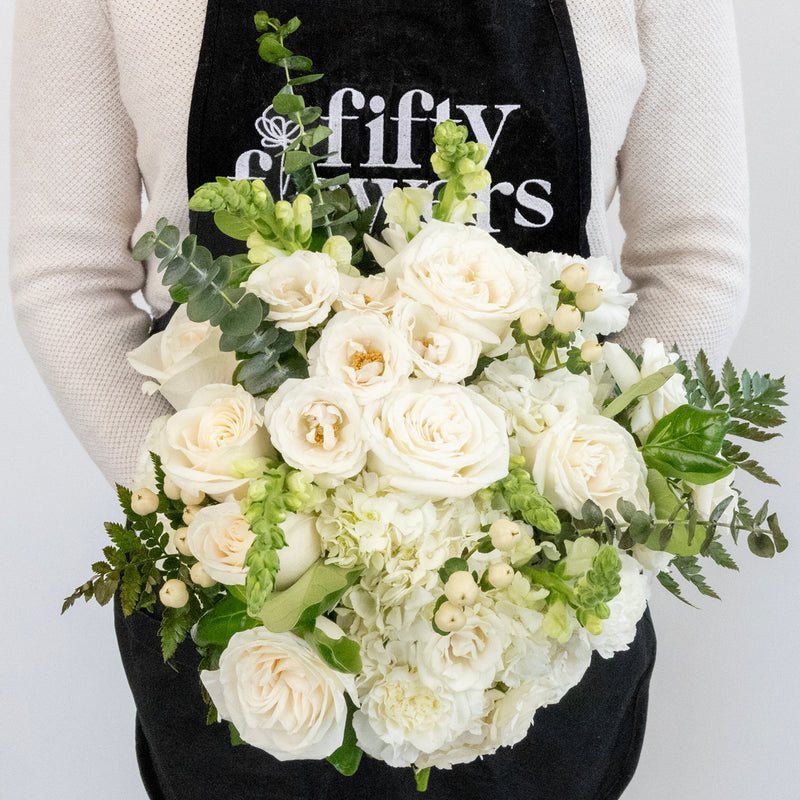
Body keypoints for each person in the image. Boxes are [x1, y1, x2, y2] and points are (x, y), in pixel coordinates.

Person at [9, 1, 748, 799]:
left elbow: (694, 259)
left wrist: (553, 501)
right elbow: (67, 266)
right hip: (245, 608)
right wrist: (205, 507)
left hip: (521, 610)